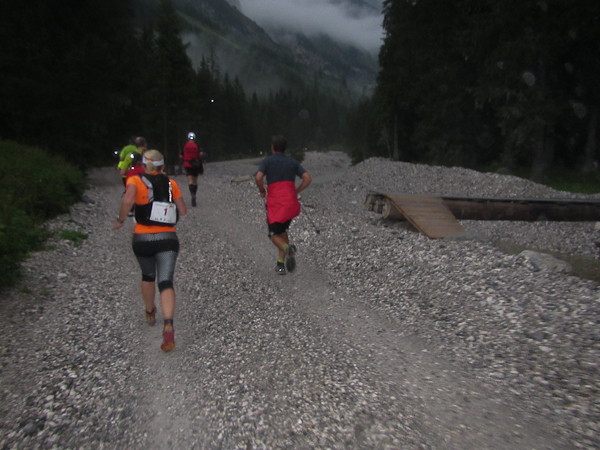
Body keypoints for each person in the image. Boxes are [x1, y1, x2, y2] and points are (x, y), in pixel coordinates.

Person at [114, 150, 187, 352]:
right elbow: (182, 211)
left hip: (143, 238)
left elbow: (128, 201)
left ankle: (150, 312)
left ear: (143, 165)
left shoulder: (135, 181)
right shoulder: (171, 184)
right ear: (163, 167)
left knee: (147, 275)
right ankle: (169, 324)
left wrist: (120, 220)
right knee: (166, 281)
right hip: (168, 239)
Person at [255, 135, 312, 275]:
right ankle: (280, 264)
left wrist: (262, 190)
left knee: (273, 235)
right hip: (291, 204)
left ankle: (288, 249)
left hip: (276, 205)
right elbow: (307, 178)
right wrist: (296, 191)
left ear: (272, 148)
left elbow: (258, 177)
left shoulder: (267, 161)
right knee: (283, 231)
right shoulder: (292, 162)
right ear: (285, 148)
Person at [179, 132, 204, 207]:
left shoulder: (185, 145)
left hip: (187, 164)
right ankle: (194, 195)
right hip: (195, 165)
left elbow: (181, 155)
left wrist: (185, 158)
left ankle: (192, 194)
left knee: (190, 180)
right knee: (195, 181)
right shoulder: (197, 145)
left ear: (188, 138)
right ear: (194, 138)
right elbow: (201, 154)